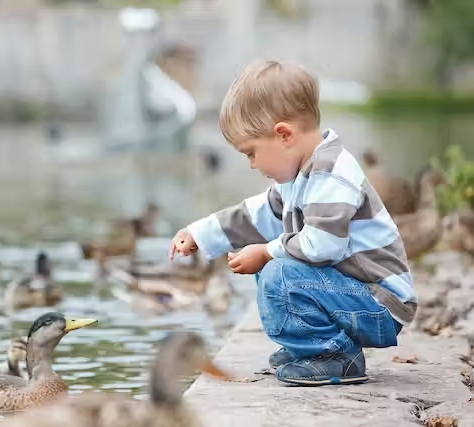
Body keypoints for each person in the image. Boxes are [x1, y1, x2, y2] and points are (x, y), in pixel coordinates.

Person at [169, 60, 417, 386]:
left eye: (251, 153)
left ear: (284, 135)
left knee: (278, 270)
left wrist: (267, 252)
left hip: (380, 303)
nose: (253, 164)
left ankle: (334, 355)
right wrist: (202, 232)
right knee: (270, 264)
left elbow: (322, 245)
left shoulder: (332, 174)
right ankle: (313, 347)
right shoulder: (298, 177)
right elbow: (255, 215)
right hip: (353, 294)